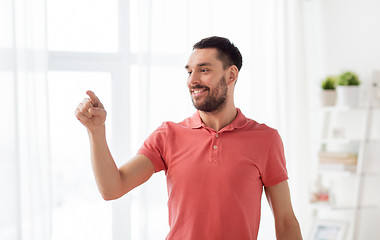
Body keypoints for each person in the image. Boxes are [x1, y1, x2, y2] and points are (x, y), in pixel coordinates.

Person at [75, 36, 302, 240]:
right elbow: (112, 188)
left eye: (204, 70)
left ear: (231, 74)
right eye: (189, 71)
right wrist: (96, 132)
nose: (192, 80)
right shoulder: (167, 135)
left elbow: (285, 221)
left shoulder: (265, 139)